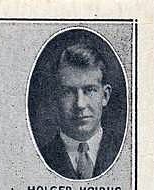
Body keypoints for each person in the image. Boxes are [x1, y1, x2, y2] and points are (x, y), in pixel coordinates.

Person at [40, 42, 121, 180]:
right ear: (55, 98)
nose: (80, 104)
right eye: (68, 92)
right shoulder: (40, 158)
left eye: (90, 90)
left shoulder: (127, 151)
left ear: (105, 96)